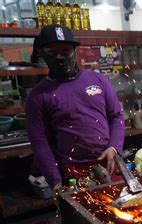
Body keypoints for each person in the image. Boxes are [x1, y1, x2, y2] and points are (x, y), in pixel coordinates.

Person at [26, 25, 124, 196]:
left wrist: (114, 148)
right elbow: (39, 141)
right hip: (73, 173)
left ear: (75, 51)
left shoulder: (98, 79)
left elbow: (116, 116)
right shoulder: (38, 96)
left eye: (65, 51)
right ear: (41, 53)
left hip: (109, 163)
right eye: (52, 53)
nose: (60, 57)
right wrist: (55, 182)